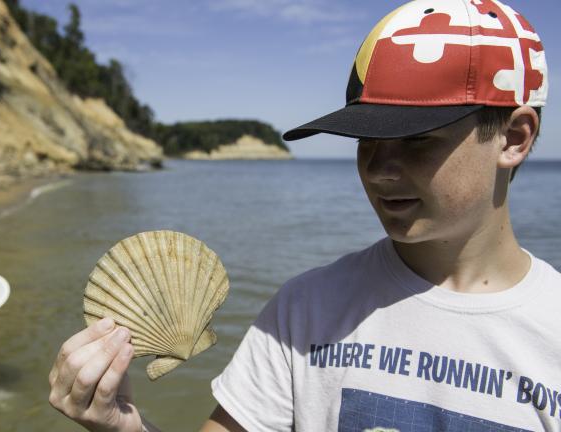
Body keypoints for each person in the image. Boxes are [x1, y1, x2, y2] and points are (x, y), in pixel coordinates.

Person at [48, 0, 559, 430]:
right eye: (365, 139)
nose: (379, 169)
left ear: (514, 137)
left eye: (416, 140)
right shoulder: (306, 308)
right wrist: (123, 427)